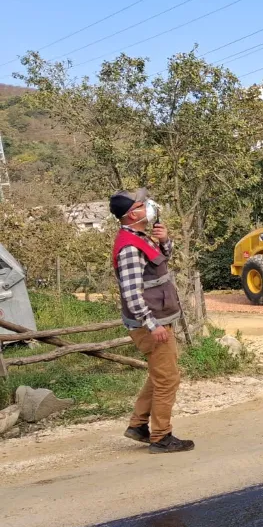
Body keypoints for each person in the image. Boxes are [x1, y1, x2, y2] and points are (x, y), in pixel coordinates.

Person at [109, 189, 194, 453]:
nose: (148, 206)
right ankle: (161, 437)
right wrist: (152, 324)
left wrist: (165, 240)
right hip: (151, 324)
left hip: (158, 319)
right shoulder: (129, 248)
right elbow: (131, 293)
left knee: (160, 375)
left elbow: (161, 262)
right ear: (131, 215)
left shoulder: (140, 237)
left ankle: (138, 426)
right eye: (141, 205)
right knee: (168, 379)